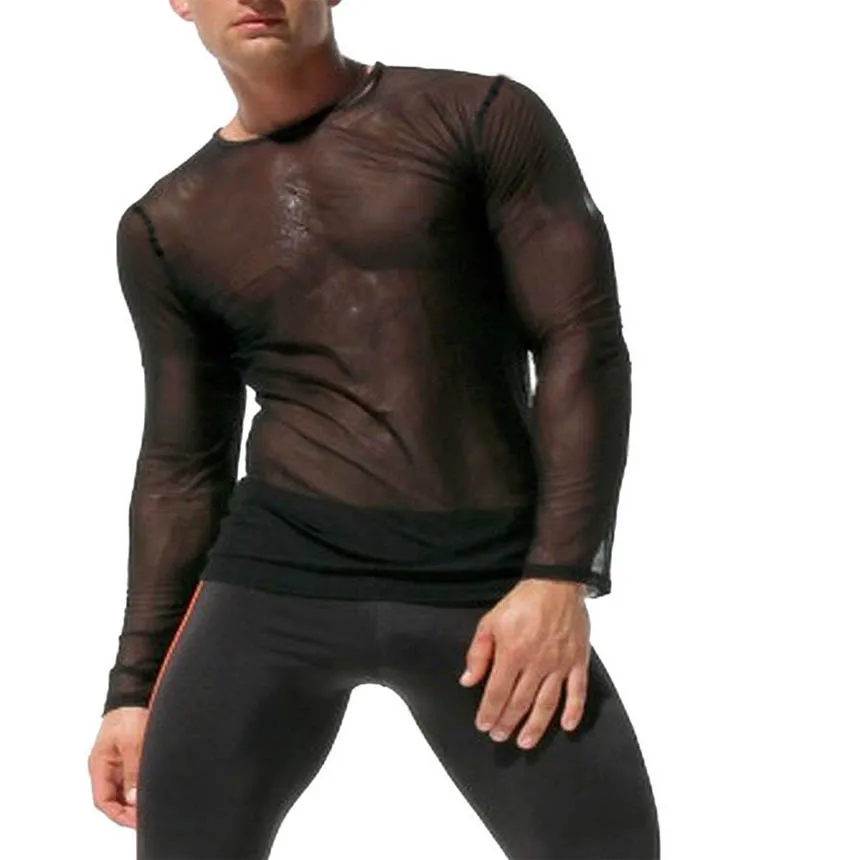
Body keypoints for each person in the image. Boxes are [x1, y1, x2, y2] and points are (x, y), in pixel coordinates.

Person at [87, 1, 661, 857]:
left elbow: (581, 340)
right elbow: (180, 468)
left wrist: (559, 577)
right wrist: (133, 691)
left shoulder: (478, 117)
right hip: (275, 579)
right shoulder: (166, 224)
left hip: (484, 584)